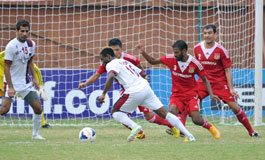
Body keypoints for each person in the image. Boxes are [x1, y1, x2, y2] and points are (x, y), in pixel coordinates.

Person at [79, 38, 180, 139]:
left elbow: (138, 64)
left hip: (139, 88)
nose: (115, 52)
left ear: (121, 49)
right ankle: (139, 132)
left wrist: (143, 76)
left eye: (117, 50)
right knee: (119, 112)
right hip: (127, 91)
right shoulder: (108, 63)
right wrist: (85, 83)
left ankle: (172, 126)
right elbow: (97, 75)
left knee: (150, 117)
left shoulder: (129, 58)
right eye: (113, 50)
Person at [97, 47, 195, 142]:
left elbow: (110, 77)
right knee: (166, 114)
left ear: (108, 56)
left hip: (133, 91)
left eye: (103, 59)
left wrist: (103, 94)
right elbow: (142, 73)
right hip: (146, 88)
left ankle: (136, 127)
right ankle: (189, 135)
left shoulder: (110, 64)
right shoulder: (124, 61)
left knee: (115, 112)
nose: (102, 63)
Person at [136, 40, 221, 142]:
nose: (174, 54)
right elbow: (153, 61)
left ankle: (210, 127)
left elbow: (204, 79)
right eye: (174, 52)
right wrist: (143, 52)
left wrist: (211, 94)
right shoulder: (170, 59)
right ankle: (185, 134)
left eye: (177, 52)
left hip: (191, 95)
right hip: (177, 95)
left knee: (196, 120)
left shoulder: (195, 64)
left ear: (184, 51)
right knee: (172, 112)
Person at [193, 24, 260, 137]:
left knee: (234, 107)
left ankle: (251, 131)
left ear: (215, 34)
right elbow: (196, 67)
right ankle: (180, 130)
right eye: (205, 33)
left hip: (219, 82)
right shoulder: (197, 48)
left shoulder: (221, 50)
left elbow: (227, 70)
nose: (207, 35)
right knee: (191, 101)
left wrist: (231, 88)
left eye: (209, 33)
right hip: (203, 82)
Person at [0, 19, 45, 139]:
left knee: (38, 107)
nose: (24, 33)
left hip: (25, 83)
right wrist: (10, 86)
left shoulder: (31, 44)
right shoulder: (11, 46)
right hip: (11, 83)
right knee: (4, 110)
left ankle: (35, 134)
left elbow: (30, 62)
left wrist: (34, 79)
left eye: (27, 31)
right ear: (16, 31)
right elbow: (6, 67)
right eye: (22, 31)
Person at [0, 50, 51, 128]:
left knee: (36, 104)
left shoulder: (22, 56)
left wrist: (40, 86)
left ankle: (42, 123)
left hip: (21, 84)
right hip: (6, 82)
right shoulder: (6, 55)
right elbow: (36, 69)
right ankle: (43, 124)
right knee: (4, 109)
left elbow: (35, 69)